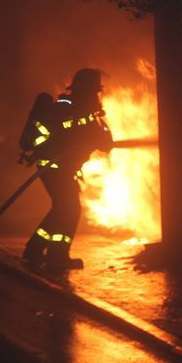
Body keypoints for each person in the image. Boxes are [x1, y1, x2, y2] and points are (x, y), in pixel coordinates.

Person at [20, 69, 113, 269]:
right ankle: (56, 255)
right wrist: (86, 137)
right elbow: (67, 133)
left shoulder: (87, 112)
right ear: (85, 90)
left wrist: (102, 136)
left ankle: (38, 250)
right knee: (68, 209)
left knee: (63, 209)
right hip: (55, 167)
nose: (97, 95)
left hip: (63, 168)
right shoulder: (66, 106)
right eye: (94, 91)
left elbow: (100, 136)